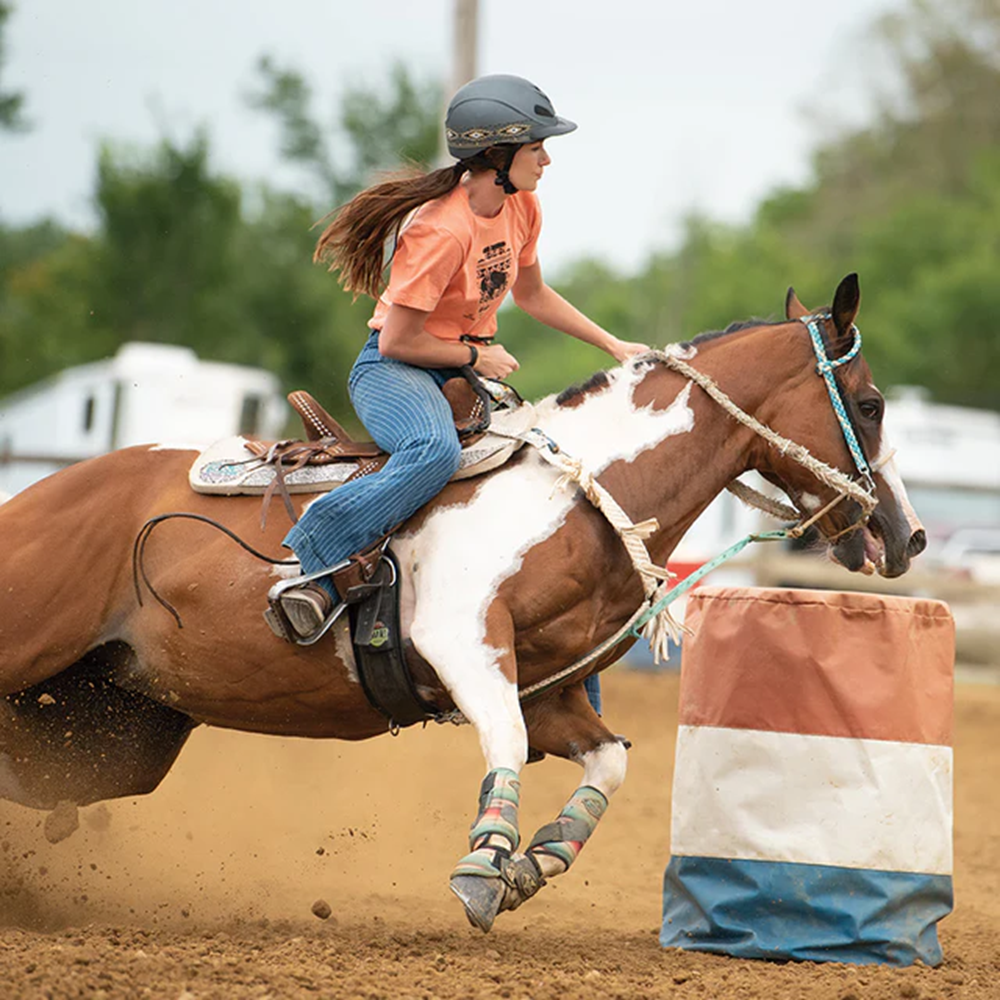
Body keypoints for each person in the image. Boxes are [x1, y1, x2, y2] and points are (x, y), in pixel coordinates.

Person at [272, 74, 648, 705]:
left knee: (545, 473)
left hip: (458, 369)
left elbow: (531, 295)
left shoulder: (522, 207)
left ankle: (563, 682)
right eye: (538, 148)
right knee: (432, 453)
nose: (548, 160)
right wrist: (476, 353)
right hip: (396, 371)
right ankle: (321, 559)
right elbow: (396, 342)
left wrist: (612, 345)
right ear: (497, 156)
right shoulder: (440, 230)